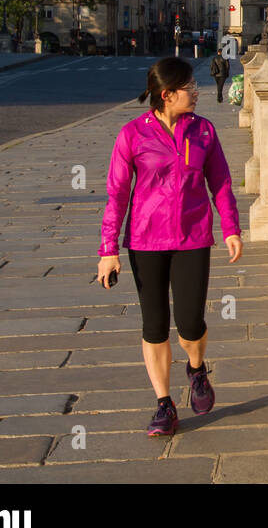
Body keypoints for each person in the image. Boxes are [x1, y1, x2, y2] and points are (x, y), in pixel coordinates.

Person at [98, 57, 243, 437]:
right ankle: (164, 405)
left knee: (190, 324)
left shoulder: (204, 132)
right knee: (155, 326)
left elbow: (222, 183)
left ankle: (196, 368)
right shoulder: (132, 135)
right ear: (167, 95)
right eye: (188, 88)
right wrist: (107, 249)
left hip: (193, 239)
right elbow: (117, 194)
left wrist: (231, 228)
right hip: (145, 242)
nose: (196, 93)